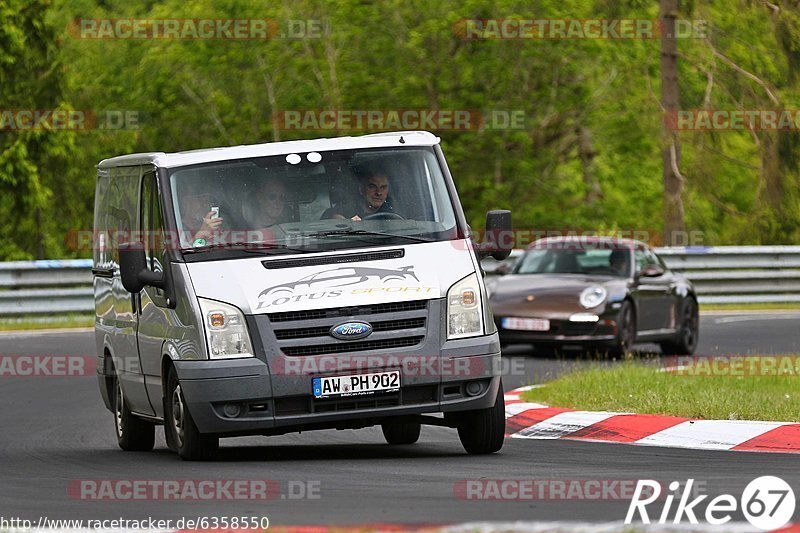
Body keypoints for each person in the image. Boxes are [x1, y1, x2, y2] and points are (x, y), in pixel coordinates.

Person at [322, 169, 395, 220]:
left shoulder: (393, 211)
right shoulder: (347, 209)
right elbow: (332, 216)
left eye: (383, 187)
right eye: (372, 186)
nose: (379, 193)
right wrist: (341, 221)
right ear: (361, 189)